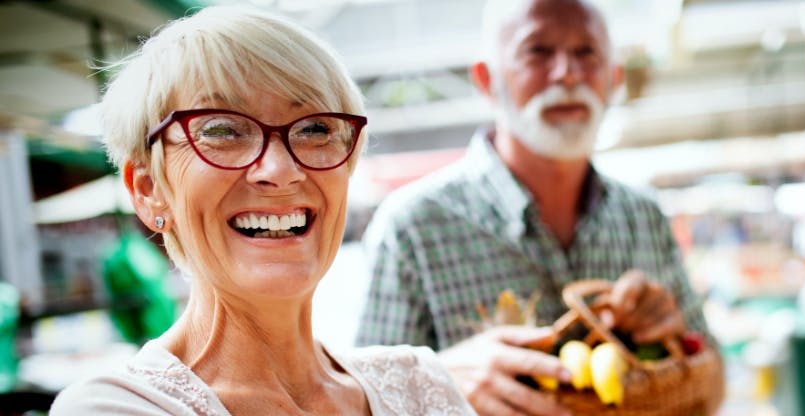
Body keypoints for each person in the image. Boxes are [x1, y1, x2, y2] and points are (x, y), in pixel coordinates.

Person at [50, 6, 473, 415]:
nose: (280, 170)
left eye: (315, 129)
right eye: (221, 130)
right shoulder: (115, 408)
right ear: (148, 190)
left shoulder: (421, 384)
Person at [355, 0, 723, 414]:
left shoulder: (643, 218)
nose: (567, 73)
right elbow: (362, 400)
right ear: (487, 80)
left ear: (613, 79)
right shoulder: (413, 228)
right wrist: (436, 383)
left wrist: (677, 341)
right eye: (538, 52)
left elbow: (711, 388)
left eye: (587, 53)